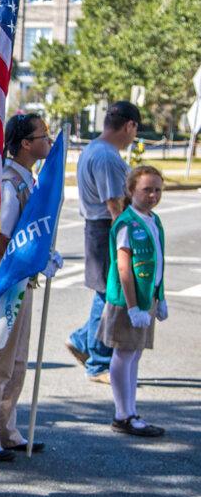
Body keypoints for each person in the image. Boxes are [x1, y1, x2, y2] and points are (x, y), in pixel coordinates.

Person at [0, 114, 60, 462]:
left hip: (23, 281)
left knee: (17, 361)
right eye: (42, 135)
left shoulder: (27, 180)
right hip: (6, 284)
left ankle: (7, 430)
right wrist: (28, 261)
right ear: (25, 143)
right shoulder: (9, 184)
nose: (47, 141)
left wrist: (45, 255)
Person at [67, 101, 140, 383]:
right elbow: (114, 205)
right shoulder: (107, 157)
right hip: (106, 229)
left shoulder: (94, 149)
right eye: (136, 129)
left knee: (105, 292)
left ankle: (82, 340)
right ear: (129, 125)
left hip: (96, 227)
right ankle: (98, 363)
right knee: (108, 295)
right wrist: (126, 239)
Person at [98, 165, 167, 438]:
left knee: (134, 354)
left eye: (157, 189)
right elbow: (124, 268)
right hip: (128, 302)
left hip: (145, 299)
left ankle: (131, 411)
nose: (153, 195)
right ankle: (122, 414)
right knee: (124, 353)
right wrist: (133, 306)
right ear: (131, 191)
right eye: (146, 189)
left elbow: (158, 262)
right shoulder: (127, 222)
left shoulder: (153, 220)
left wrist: (160, 298)